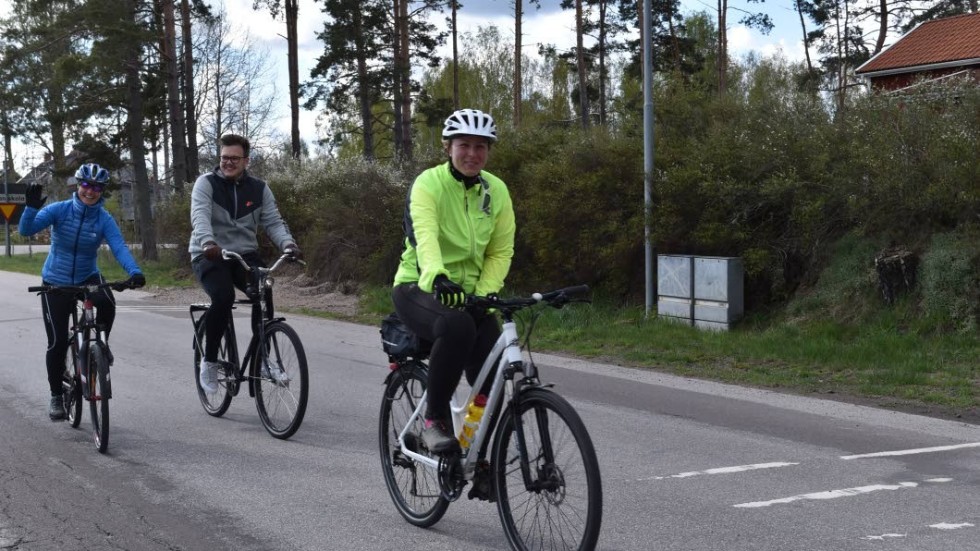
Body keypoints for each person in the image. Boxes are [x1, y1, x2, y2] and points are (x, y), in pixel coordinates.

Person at [391, 108, 516, 454]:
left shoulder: (497, 191)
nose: (473, 154)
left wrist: (485, 294)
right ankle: (434, 419)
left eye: (481, 147)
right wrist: (438, 276)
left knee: (493, 375)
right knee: (457, 326)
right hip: (419, 285)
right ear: (448, 147)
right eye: (465, 145)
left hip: (472, 294)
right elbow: (424, 236)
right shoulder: (429, 184)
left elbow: (500, 251)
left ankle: (473, 451)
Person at [19, 163, 146, 420]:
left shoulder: (103, 219)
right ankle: (56, 395)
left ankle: (100, 343)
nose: (91, 191)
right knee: (56, 344)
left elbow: (119, 247)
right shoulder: (60, 210)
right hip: (56, 279)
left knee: (107, 302)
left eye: (97, 187)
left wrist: (134, 272)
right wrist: (31, 209)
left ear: (101, 191)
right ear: (78, 186)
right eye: (86, 185)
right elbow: (25, 230)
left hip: (88, 275)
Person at [189, 133, 302, 394]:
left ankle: (263, 359)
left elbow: (273, 222)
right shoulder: (205, 184)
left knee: (263, 290)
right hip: (210, 253)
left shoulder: (259, 188)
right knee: (223, 296)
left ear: (246, 161)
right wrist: (207, 243)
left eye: (234, 159)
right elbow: (200, 217)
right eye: (224, 158)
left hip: (243, 254)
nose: (228, 163)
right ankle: (210, 360)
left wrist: (288, 244)